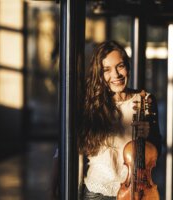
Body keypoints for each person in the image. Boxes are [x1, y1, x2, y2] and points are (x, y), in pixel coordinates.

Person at [51, 40, 162, 200]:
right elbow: (62, 149)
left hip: (135, 192)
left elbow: (156, 151)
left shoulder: (145, 101)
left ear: (128, 67)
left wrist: (149, 137)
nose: (116, 75)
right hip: (96, 193)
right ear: (99, 74)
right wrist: (51, 190)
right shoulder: (89, 104)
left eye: (120, 66)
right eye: (107, 70)